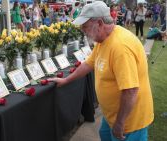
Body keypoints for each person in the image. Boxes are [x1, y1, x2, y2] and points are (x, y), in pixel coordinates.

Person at [48, 1, 153, 141]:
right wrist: (66, 80)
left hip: (129, 122)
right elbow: (89, 63)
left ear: (99, 23)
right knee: (104, 135)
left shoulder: (120, 48)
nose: (82, 30)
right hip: (111, 116)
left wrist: (120, 123)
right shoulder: (102, 39)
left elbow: (130, 91)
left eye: (85, 26)